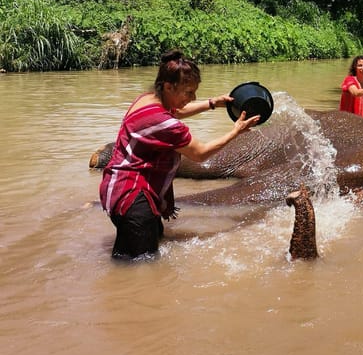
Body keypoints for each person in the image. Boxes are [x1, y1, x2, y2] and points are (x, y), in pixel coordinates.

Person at [99, 49, 260, 260]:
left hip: (120, 188)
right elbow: (200, 153)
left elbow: (179, 110)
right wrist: (235, 132)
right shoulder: (165, 124)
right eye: (188, 92)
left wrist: (212, 103)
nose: (193, 97)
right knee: (141, 266)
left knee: (146, 247)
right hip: (132, 197)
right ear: (168, 87)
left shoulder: (147, 99)